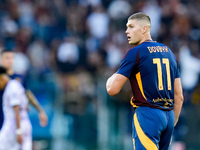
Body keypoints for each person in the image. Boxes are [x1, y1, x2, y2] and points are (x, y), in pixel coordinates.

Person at [106, 12, 184, 150]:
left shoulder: (135, 52)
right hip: (169, 116)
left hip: (148, 115)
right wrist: (172, 123)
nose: (126, 31)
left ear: (144, 29)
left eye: (131, 27)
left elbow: (112, 89)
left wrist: (115, 74)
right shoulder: (169, 52)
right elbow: (179, 97)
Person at [0, 49, 48, 130]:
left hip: (14, 117)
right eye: (6, 58)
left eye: (11, 58)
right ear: (1, 59)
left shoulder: (20, 77)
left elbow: (27, 93)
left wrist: (40, 110)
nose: (9, 60)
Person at [0, 66, 32, 150]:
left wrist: (18, 131)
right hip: (23, 124)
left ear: (1, 78)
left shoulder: (11, 87)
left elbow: (16, 109)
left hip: (14, 126)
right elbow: (26, 107)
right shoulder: (17, 85)